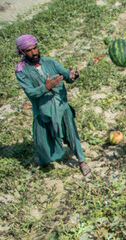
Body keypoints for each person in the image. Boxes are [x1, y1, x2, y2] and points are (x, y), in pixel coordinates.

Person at [15, 35, 91, 176]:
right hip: (43, 110)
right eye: (29, 50)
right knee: (42, 142)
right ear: (22, 53)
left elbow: (66, 76)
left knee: (72, 134)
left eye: (35, 48)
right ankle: (44, 160)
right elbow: (31, 93)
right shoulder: (22, 72)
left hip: (61, 107)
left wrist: (73, 75)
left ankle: (81, 161)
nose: (34, 52)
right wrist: (46, 87)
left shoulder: (51, 62)